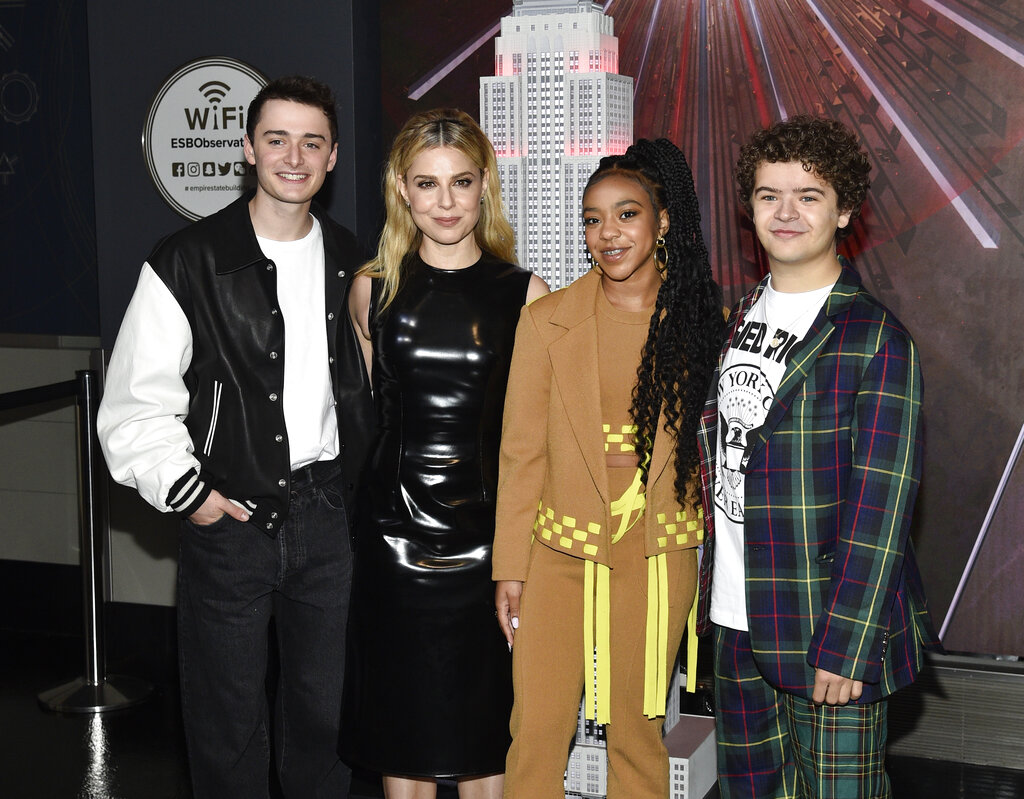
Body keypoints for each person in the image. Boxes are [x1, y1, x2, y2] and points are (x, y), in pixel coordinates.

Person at [97, 76, 373, 799]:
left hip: (327, 521)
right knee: (226, 726)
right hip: (231, 523)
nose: (293, 155)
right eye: (276, 138)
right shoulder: (187, 258)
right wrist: (193, 494)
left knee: (327, 721)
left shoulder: (355, 259)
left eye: (311, 141)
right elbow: (133, 402)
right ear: (248, 148)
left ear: (333, 156)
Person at [696, 115, 941, 798]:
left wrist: (848, 643)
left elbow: (882, 510)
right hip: (735, 618)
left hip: (823, 629)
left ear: (844, 210)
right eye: (769, 194)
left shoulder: (876, 340)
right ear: (749, 209)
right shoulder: (740, 315)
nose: (786, 210)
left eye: (809, 194)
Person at [493, 139, 725, 798]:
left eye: (626, 214)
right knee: (535, 729)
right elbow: (521, 451)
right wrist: (510, 565)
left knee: (636, 734)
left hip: (657, 552)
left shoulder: (704, 323)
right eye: (593, 219)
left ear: (663, 222)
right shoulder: (545, 320)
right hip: (557, 548)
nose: (607, 233)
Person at [339, 108, 548, 799]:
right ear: (401, 189)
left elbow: (531, 437)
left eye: (460, 182)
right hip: (393, 540)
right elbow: (375, 412)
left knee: (486, 735)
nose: (446, 201)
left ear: (484, 184)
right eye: (427, 185)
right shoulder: (374, 288)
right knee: (406, 739)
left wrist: (517, 552)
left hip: (488, 544)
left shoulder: (526, 294)